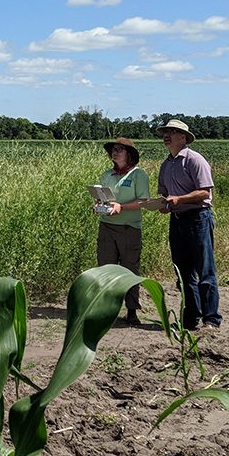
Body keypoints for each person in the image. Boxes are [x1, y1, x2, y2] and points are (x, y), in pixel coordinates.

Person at [156, 118, 222, 330]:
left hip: (198, 218)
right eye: (165, 132)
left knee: (205, 271)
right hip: (177, 221)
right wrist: (163, 205)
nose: (167, 135)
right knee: (182, 272)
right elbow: (165, 194)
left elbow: (205, 191)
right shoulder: (166, 164)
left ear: (183, 137)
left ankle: (211, 319)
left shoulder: (195, 160)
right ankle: (190, 318)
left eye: (173, 132)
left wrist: (178, 200)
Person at [95, 137, 150, 325]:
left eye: (120, 149)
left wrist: (121, 207)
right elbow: (103, 198)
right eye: (113, 149)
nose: (115, 152)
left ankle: (132, 311)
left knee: (129, 270)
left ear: (129, 154)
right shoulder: (107, 175)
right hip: (107, 226)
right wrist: (98, 205)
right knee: (106, 268)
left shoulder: (138, 175)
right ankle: (107, 310)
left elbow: (143, 202)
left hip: (129, 229)